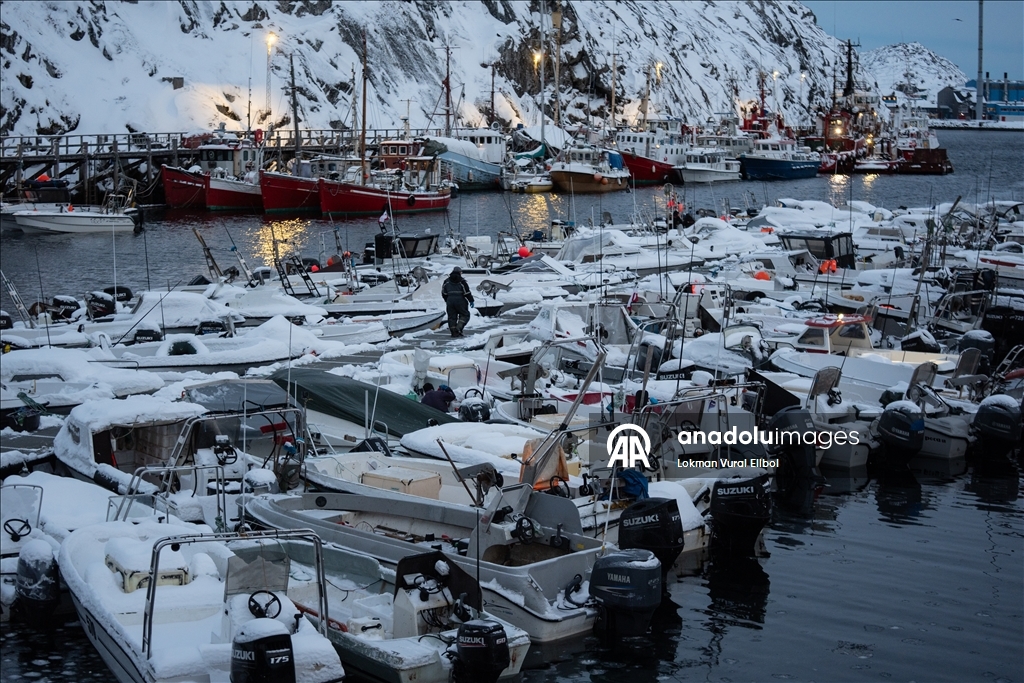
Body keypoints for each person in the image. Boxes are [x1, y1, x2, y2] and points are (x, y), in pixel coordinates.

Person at [441, 266, 474, 337]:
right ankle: (458, 328)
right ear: (459, 272)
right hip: (460, 300)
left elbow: (444, 293)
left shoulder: (446, 281)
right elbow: (467, 292)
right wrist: (471, 300)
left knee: (452, 317)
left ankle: (453, 332)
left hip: (450, 300)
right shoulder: (462, 281)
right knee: (465, 315)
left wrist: (447, 300)